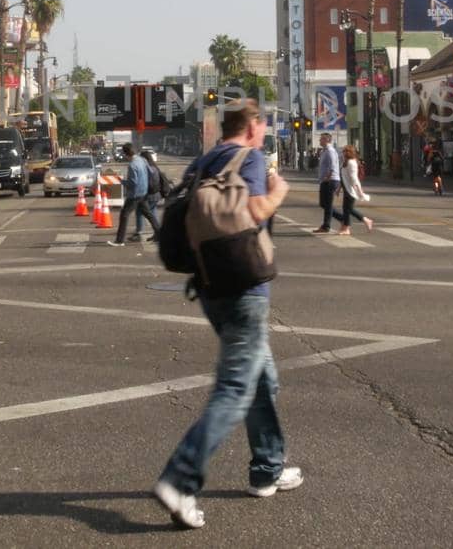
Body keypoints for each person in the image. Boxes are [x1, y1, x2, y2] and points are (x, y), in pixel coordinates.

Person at [153, 100, 296, 530]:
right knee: (236, 386)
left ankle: (267, 467)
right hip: (244, 288)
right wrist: (278, 194)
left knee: (262, 377)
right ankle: (181, 478)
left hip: (210, 285)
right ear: (251, 128)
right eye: (263, 126)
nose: (264, 132)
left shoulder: (203, 162)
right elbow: (251, 212)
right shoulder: (247, 159)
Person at [108, 143, 159, 247]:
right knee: (148, 214)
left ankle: (120, 240)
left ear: (126, 154)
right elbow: (150, 172)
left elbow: (132, 183)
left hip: (134, 195)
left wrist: (122, 181)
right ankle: (159, 233)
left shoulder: (132, 165)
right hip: (144, 192)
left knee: (124, 215)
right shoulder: (142, 160)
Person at [334, 144, 373, 235]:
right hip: (346, 189)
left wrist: (359, 190)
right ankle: (346, 227)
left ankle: (363, 221)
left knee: (348, 209)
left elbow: (354, 178)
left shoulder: (352, 162)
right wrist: (338, 189)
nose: (344, 153)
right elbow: (343, 177)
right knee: (347, 209)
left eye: (346, 151)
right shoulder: (345, 162)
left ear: (350, 152)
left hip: (351, 189)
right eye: (344, 151)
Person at [311, 133, 341, 234]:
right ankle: (343, 219)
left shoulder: (330, 151)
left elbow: (332, 167)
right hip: (326, 180)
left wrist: (326, 178)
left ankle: (326, 226)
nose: (320, 141)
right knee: (324, 204)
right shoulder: (324, 151)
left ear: (327, 140)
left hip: (330, 180)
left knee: (327, 204)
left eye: (321, 139)